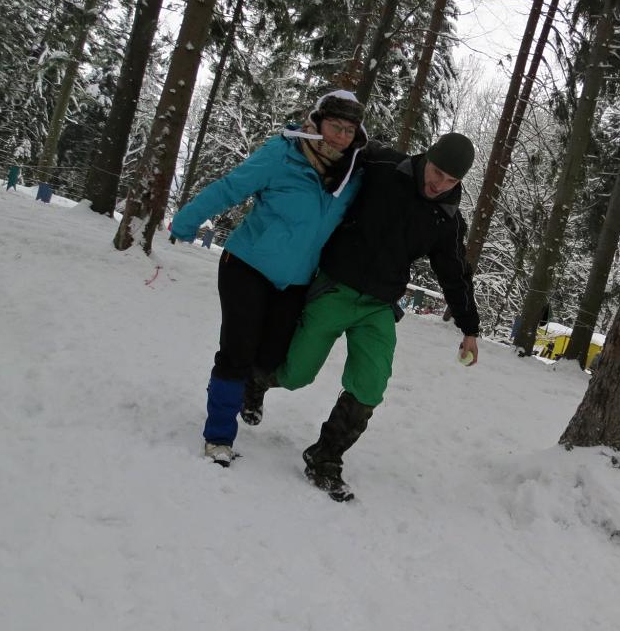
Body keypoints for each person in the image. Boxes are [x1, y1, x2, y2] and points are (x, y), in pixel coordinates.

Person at [258, 133, 480, 501]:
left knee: (371, 384)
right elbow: (341, 148)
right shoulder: (384, 166)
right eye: (437, 172)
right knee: (297, 374)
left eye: (451, 180)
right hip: (336, 285)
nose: (439, 184)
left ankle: (325, 457)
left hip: (379, 305)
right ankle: (253, 382)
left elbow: (455, 274)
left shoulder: (448, 219)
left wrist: (469, 328)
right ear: (427, 158)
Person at [171, 90, 366, 467]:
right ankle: (219, 436)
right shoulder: (283, 153)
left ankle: (248, 388)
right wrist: (188, 219)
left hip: (294, 282)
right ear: (317, 122)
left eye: (349, 130)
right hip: (247, 265)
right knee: (237, 351)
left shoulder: (352, 176)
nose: (341, 137)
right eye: (335, 126)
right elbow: (231, 187)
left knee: (273, 356)